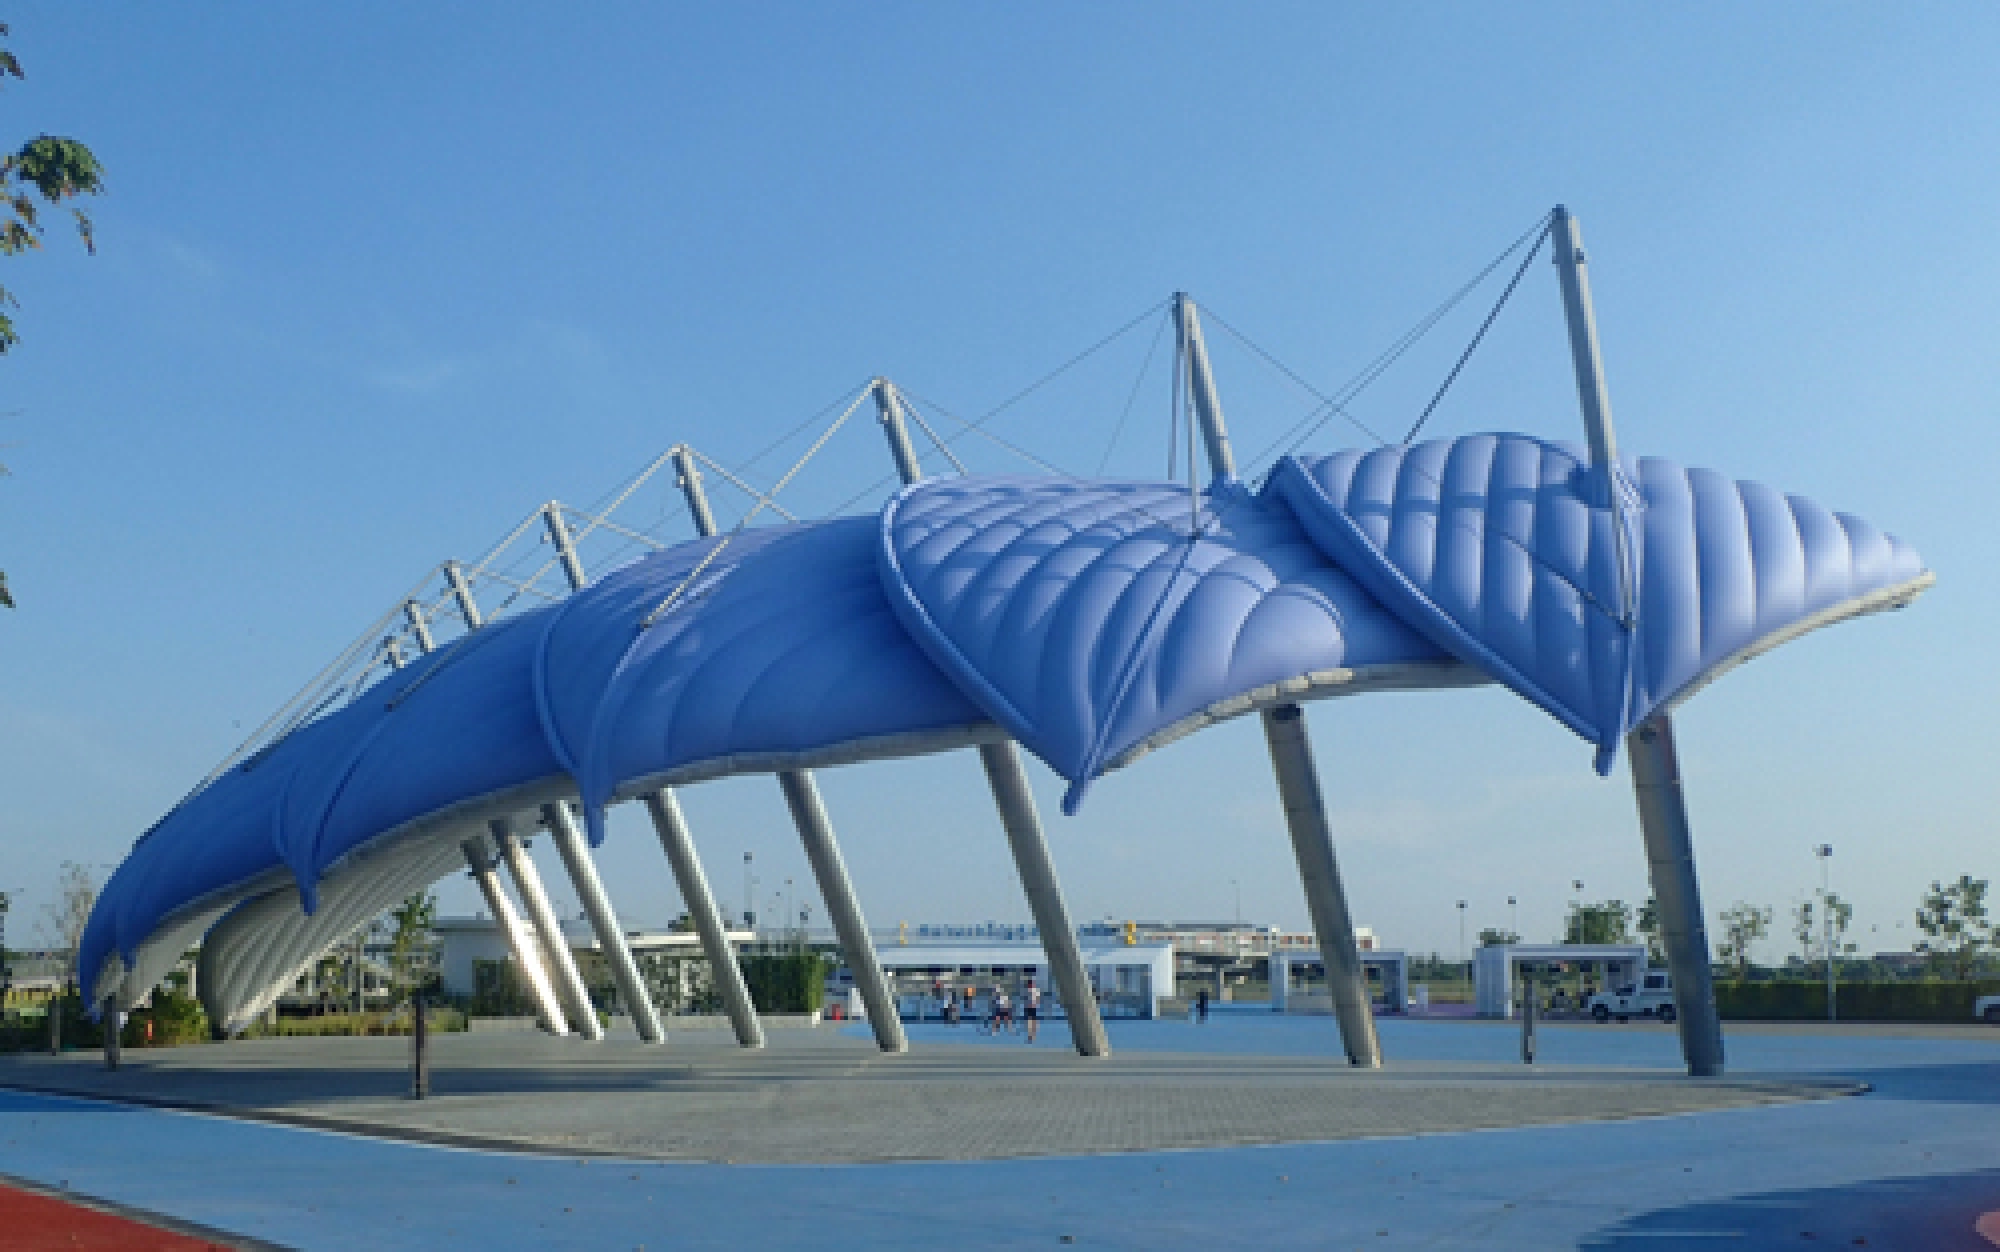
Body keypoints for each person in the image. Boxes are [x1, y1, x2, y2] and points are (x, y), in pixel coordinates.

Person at [1023, 977, 1041, 1043]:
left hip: (1032, 1007)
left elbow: (1038, 999)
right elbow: (1026, 999)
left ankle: (1032, 1035)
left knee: (1032, 1021)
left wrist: (1035, 1003)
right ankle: (1031, 1035)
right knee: (1030, 1021)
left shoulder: (1035, 990)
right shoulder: (1027, 990)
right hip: (1029, 1007)